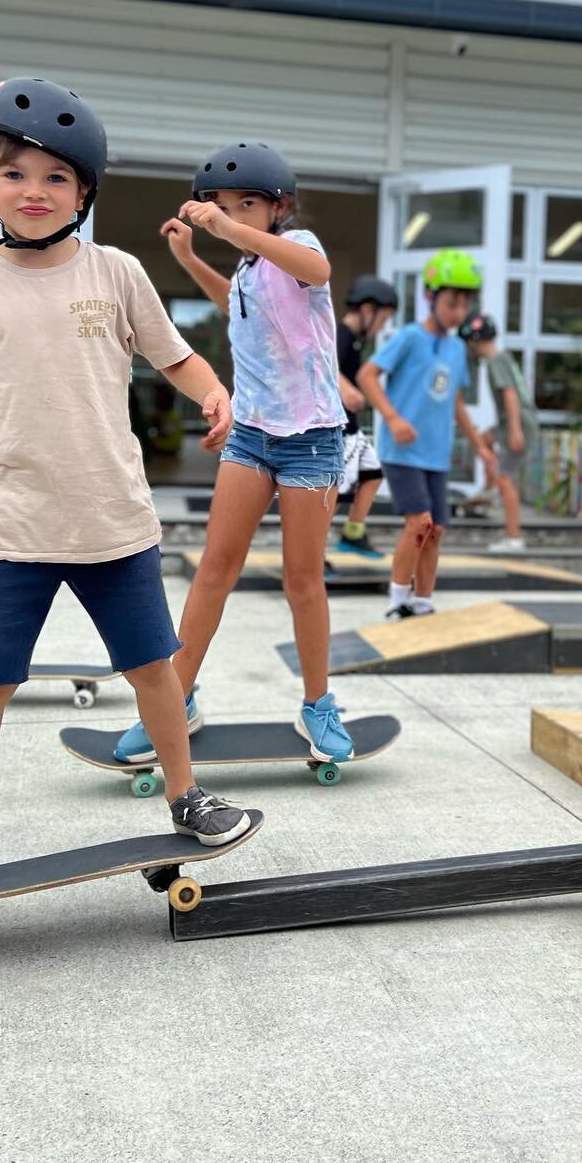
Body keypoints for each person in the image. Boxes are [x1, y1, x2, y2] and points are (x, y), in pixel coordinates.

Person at [0, 79, 250, 909]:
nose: (34, 191)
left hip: (113, 521)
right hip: (10, 525)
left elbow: (174, 356)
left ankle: (185, 794)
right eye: (13, 173)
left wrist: (212, 393)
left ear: (84, 191)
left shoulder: (116, 272)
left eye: (56, 177)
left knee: (154, 669)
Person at [111, 142, 354, 769]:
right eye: (221, 205)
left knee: (302, 579)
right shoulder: (249, 270)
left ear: (279, 208)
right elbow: (238, 306)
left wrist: (229, 228)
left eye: (249, 204)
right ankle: (175, 701)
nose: (235, 215)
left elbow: (316, 273)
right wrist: (192, 257)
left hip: (312, 438)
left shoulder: (302, 251)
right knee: (215, 568)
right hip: (250, 434)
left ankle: (318, 704)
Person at [356, 249, 497, 620]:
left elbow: (457, 402)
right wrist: (392, 417)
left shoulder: (455, 348)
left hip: (437, 453)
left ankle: (423, 601)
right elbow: (367, 375)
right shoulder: (409, 337)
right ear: (431, 298)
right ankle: (397, 600)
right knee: (419, 524)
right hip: (403, 452)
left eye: (465, 304)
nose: (458, 311)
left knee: (435, 531)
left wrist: (480, 445)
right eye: (452, 302)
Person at [460, 312, 537, 553]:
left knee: (507, 479)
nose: (469, 349)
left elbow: (510, 394)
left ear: (476, 340)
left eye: (469, 343)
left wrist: (514, 430)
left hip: (517, 425)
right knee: (482, 439)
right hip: (508, 425)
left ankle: (513, 537)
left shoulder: (495, 362)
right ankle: (490, 486)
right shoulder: (502, 358)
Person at [334, 274, 398, 557]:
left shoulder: (356, 341)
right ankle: (310, 557)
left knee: (372, 474)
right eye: (383, 319)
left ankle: (353, 533)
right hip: (338, 429)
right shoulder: (341, 336)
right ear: (367, 309)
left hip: (351, 426)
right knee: (335, 494)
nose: (382, 326)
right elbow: (322, 365)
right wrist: (347, 389)